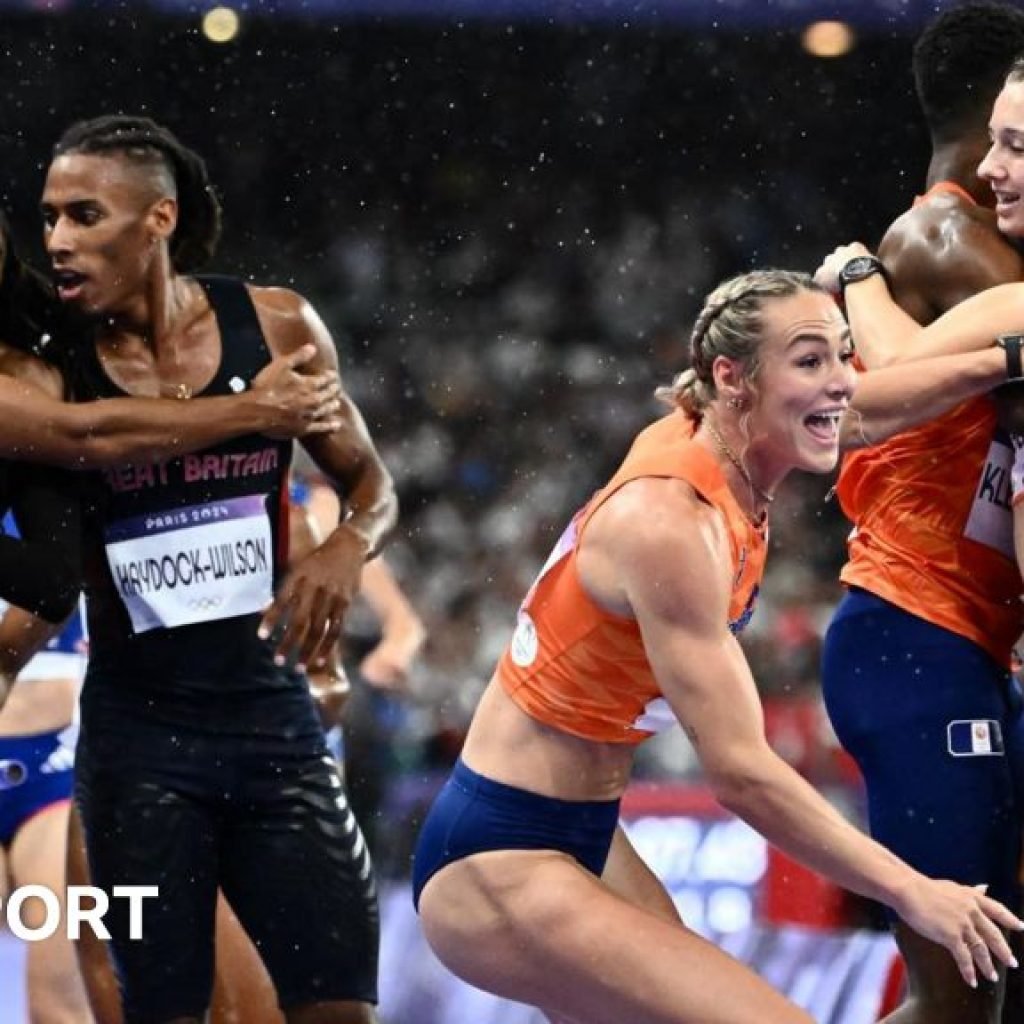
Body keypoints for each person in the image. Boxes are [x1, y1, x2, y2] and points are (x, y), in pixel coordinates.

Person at [411, 268, 1024, 1024]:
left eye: (843, 354)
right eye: (811, 362)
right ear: (733, 379)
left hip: (586, 839)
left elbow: (870, 407)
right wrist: (912, 891)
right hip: (499, 855)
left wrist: (1006, 359)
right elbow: (742, 775)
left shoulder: (726, 437)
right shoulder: (671, 525)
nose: (842, 382)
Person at [33, 114, 396, 1024]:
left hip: (273, 729)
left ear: (158, 219)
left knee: (341, 1006)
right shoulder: (48, 362)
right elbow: (91, 437)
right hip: (135, 747)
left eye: (83, 214)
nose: (57, 241)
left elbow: (371, 483)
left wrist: (350, 546)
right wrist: (248, 417)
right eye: (47, 218)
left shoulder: (275, 323)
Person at [818, 8, 1024, 1017]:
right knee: (960, 998)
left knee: (980, 994)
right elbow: (896, 379)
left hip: (969, 642)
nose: (1004, 161)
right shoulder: (946, 232)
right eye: (1007, 135)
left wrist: (855, 281)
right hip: (914, 632)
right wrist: (857, 280)